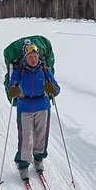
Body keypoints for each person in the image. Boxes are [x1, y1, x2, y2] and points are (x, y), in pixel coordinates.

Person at [7, 39, 60, 181]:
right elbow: (11, 87)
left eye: (35, 56)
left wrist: (53, 89)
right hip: (25, 107)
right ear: (25, 57)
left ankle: (38, 159)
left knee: (41, 135)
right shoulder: (19, 72)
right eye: (30, 57)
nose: (33, 59)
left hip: (43, 106)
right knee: (26, 137)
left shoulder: (44, 71)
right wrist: (15, 91)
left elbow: (56, 87)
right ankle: (23, 165)